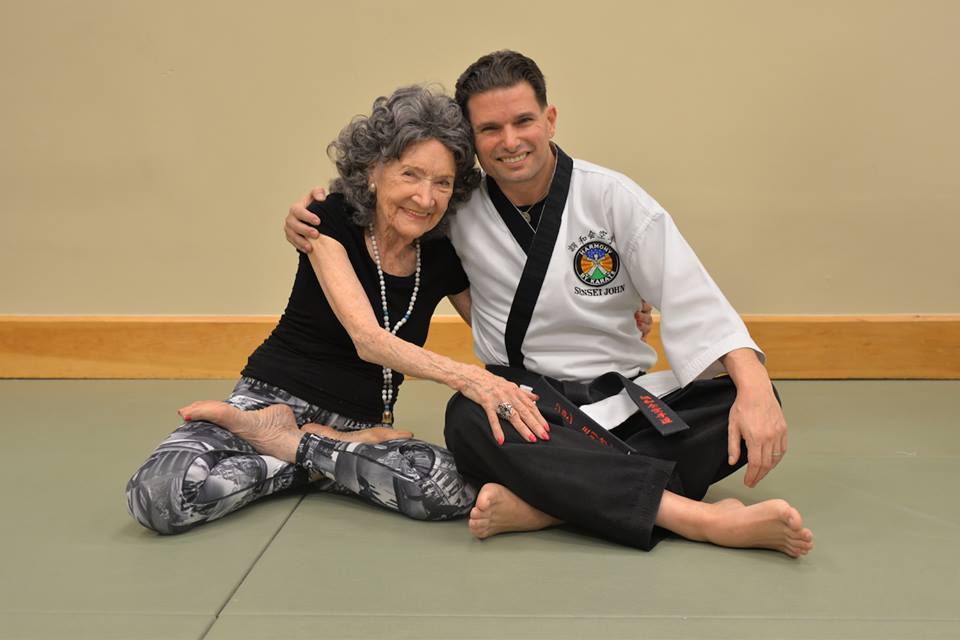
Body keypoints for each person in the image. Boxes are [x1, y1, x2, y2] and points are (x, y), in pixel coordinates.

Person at [285, 52, 813, 557]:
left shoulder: (613, 197)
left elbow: (690, 295)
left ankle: (545, 506)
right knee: (468, 420)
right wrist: (312, 212)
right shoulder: (453, 209)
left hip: (623, 401)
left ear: (550, 119)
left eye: (523, 121)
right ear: (472, 141)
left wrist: (754, 386)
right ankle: (695, 517)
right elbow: (382, 210)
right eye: (490, 129)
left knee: (741, 401)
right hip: (527, 406)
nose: (510, 141)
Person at [125, 85, 552, 535]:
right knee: (160, 494)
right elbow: (367, 340)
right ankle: (320, 457)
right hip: (267, 403)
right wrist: (469, 378)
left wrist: (604, 321)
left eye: (442, 183)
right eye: (410, 174)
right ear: (373, 170)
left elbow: (505, 333)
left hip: (357, 429)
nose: (426, 199)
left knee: (450, 487)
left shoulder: (443, 253)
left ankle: (302, 448)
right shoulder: (328, 219)